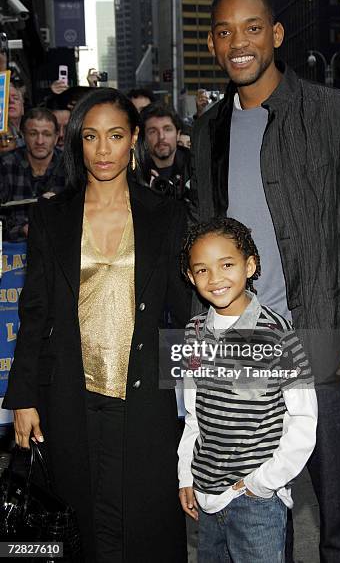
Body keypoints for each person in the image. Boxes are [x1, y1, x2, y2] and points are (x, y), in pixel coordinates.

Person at [189, 0, 340, 563]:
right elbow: (205, 242)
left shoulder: (335, 114)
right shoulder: (207, 132)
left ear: (276, 36)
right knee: (260, 507)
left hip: (325, 339)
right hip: (245, 347)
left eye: (253, 28)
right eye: (226, 32)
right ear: (213, 44)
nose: (240, 42)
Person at [2, 87, 190, 562]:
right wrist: (23, 396)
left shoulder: (165, 215)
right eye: (91, 137)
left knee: (144, 523)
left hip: (144, 396)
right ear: (77, 143)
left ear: (133, 142)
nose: (102, 150)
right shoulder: (50, 216)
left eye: (115, 136)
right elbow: (34, 312)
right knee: (79, 522)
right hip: (69, 393)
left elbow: (186, 311)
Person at [177, 217, 317, 562]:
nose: (216, 278)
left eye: (226, 264)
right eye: (202, 270)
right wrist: (186, 475)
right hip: (208, 497)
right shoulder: (193, 331)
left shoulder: (278, 333)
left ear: (249, 265)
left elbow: (303, 419)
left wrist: (263, 482)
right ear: (190, 277)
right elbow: (194, 415)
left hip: (256, 502)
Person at [0, 108, 66, 241]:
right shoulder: (5, 165)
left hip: (59, 249)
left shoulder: (70, 166)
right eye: (33, 133)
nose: (40, 141)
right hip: (13, 253)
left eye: (46, 134)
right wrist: (21, 230)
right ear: (23, 135)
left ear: (56, 137)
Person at [138, 102, 191, 201]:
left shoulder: (194, 166)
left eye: (167, 129)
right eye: (153, 131)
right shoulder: (135, 172)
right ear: (144, 138)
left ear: (178, 134)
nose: (161, 137)